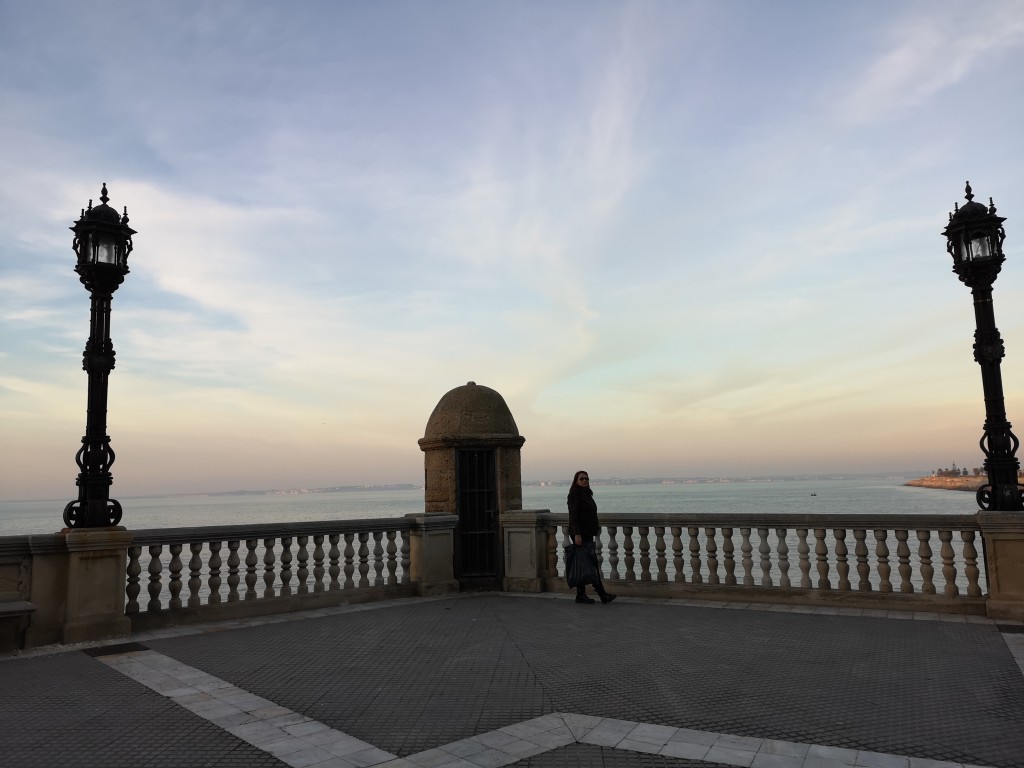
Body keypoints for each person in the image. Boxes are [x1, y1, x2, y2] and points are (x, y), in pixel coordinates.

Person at [566, 470, 616, 604]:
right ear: (576, 480)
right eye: (581, 479)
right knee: (592, 564)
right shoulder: (575, 494)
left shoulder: (586, 494)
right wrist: (577, 534)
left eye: (586, 479)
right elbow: (573, 515)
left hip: (586, 533)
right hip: (580, 534)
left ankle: (580, 595)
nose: (584, 481)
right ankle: (602, 594)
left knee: (583, 564)